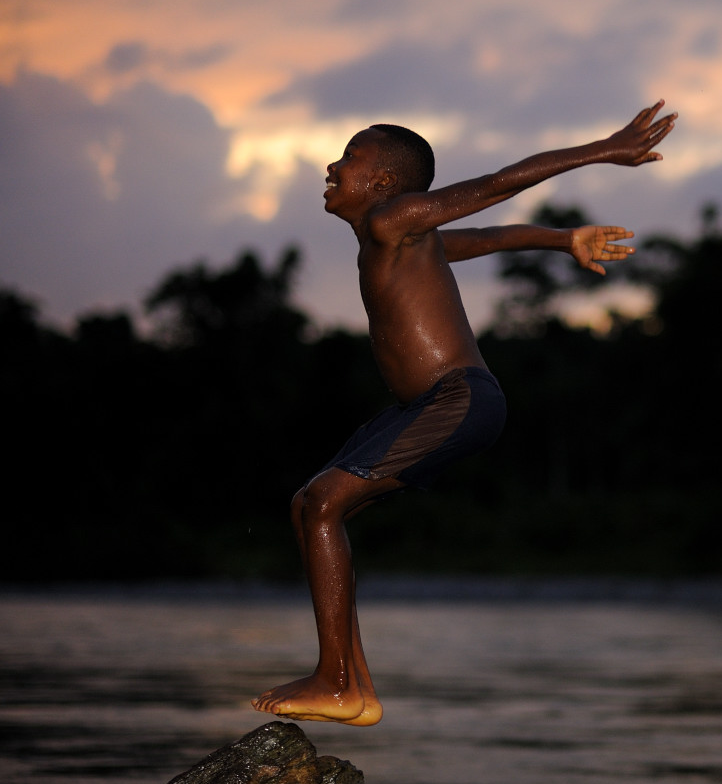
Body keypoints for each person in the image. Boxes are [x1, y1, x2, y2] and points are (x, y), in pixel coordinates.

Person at [251, 100, 677, 726]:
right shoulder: (398, 239)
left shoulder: (393, 219)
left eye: (349, 157)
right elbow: (485, 239)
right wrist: (562, 241)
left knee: (322, 502)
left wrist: (605, 149)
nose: (332, 166)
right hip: (431, 404)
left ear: (384, 184)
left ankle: (336, 681)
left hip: (458, 399)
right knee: (309, 505)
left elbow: (497, 185)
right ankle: (355, 689)